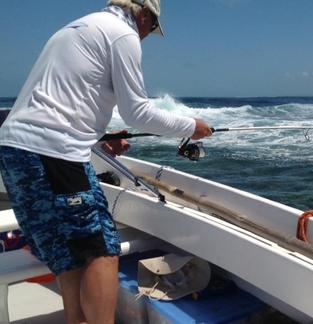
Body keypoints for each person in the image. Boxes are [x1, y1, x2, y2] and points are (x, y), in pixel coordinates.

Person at [0, 1, 212, 323]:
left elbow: (60, 102)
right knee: (102, 248)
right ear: (143, 15)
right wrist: (191, 127)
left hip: (15, 151)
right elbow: (137, 112)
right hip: (54, 153)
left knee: (68, 252)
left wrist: (101, 137)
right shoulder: (121, 34)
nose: (145, 37)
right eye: (151, 29)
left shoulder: (76, 28)